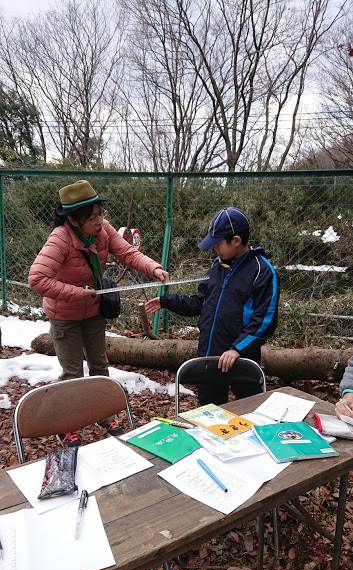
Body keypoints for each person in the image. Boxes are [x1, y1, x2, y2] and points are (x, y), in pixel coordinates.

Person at [29, 179, 168, 446]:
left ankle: (104, 414)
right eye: (92, 217)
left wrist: (154, 268)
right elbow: (37, 279)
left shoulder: (103, 231)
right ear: (73, 219)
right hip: (64, 316)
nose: (99, 220)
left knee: (100, 365)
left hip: (93, 312)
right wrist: (76, 292)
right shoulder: (60, 239)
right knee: (72, 374)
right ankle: (68, 425)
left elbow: (127, 253)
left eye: (100, 214)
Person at [145, 207, 279, 406]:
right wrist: (166, 301)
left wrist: (237, 349)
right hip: (210, 354)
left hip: (241, 359)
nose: (213, 248)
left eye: (217, 244)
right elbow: (200, 302)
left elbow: (265, 319)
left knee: (250, 409)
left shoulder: (262, 271)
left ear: (236, 240)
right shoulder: (218, 267)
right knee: (208, 411)